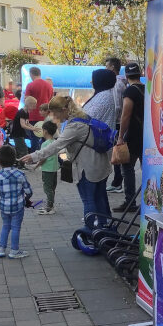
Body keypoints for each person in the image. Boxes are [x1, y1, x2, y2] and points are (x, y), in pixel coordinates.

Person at [19, 96, 111, 251]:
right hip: (101, 166)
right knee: (100, 198)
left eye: (56, 114)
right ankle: (105, 230)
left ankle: (91, 234)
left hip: (87, 169)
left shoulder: (74, 126)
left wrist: (34, 156)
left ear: (64, 110)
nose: (55, 118)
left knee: (89, 201)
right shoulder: (85, 117)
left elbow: (56, 145)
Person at [0, 145, 33, 259]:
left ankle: (1, 248)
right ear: (15, 159)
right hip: (18, 206)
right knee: (16, 228)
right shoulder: (20, 174)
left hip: (4, 207)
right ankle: (14, 250)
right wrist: (27, 199)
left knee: (5, 226)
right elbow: (28, 190)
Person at [114, 63, 144, 213]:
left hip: (133, 135)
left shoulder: (130, 91)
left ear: (126, 76)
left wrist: (120, 137)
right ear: (141, 73)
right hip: (148, 136)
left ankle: (130, 202)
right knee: (148, 170)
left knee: (127, 168)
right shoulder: (147, 90)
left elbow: (125, 115)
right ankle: (149, 201)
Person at [105, 57, 126, 194]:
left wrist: (111, 119)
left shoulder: (117, 84)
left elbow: (118, 106)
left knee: (117, 153)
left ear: (112, 67)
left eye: (107, 66)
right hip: (118, 122)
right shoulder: (120, 83)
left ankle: (118, 182)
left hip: (117, 123)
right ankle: (117, 181)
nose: (106, 69)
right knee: (117, 152)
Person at [24, 67, 54, 152]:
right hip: (45, 116)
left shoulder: (30, 85)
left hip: (33, 116)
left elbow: (26, 100)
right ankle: (45, 155)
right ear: (40, 74)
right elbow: (50, 102)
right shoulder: (49, 86)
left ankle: (34, 158)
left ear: (31, 74)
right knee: (46, 138)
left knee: (34, 138)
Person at [36, 121, 59, 215]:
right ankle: (51, 205)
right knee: (52, 187)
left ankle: (49, 207)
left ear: (45, 131)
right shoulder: (55, 142)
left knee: (47, 188)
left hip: (47, 169)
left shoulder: (45, 144)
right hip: (54, 169)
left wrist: (36, 165)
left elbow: (43, 158)